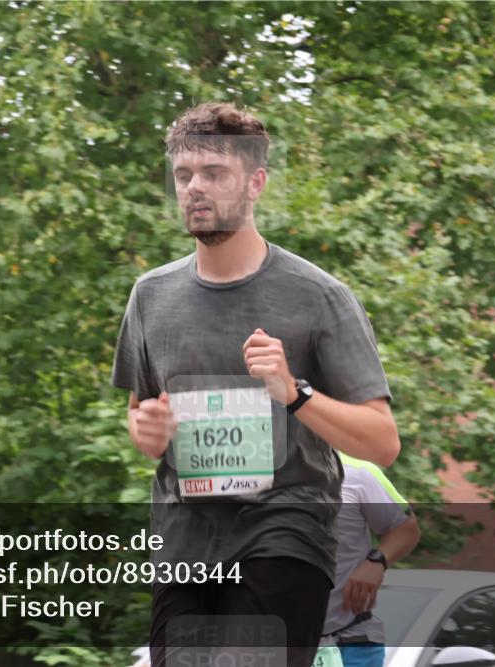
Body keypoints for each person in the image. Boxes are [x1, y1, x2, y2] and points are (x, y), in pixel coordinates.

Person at [111, 102, 400, 667]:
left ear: (256, 183)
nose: (195, 188)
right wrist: (146, 430)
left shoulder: (317, 296)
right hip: (185, 541)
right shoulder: (150, 296)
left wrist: (296, 392)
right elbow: (141, 413)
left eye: (214, 174)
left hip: (285, 532)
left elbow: (381, 442)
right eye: (184, 175)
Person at [319, 453, 420, 667]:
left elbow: (406, 529)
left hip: (352, 642)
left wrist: (377, 562)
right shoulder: (247, 476)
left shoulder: (358, 473)